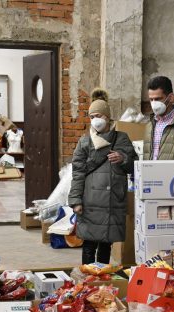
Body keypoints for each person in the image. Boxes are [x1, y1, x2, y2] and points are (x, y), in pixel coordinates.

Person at [69, 88, 137, 264]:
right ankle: (88, 279)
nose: (95, 120)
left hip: (112, 201)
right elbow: (77, 173)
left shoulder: (121, 138)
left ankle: (102, 280)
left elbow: (134, 166)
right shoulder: (84, 142)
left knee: (106, 243)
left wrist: (123, 158)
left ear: (107, 117)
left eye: (98, 115)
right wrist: (76, 200)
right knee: (89, 243)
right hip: (91, 201)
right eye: (91, 117)